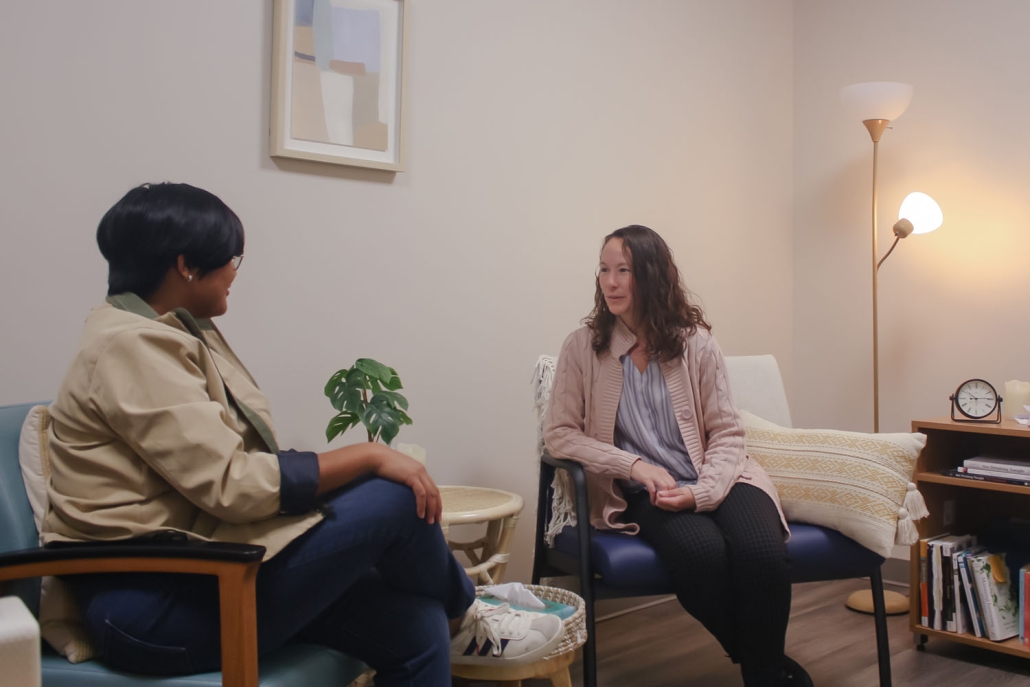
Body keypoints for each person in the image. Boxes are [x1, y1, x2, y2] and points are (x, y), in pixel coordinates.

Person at [44, 182, 562, 684]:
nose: (234, 273)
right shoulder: (129, 347)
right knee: (394, 498)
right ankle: (469, 619)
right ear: (185, 264)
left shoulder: (161, 329)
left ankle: (457, 622)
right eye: (232, 259)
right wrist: (366, 457)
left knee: (416, 626)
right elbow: (234, 483)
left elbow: (229, 460)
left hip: (207, 572)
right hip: (158, 605)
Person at [544, 225, 813, 687]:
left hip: (724, 477)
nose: (610, 282)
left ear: (651, 275)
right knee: (701, 554)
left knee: (763, 554)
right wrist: (634, 466)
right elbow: (560, 435)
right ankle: (766, 669)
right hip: (647, 491)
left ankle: (763, 672)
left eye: (623, 271)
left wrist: (703, 493)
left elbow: (728, 432)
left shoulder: (696, 343)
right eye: (604, 270)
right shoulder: (583, 347)